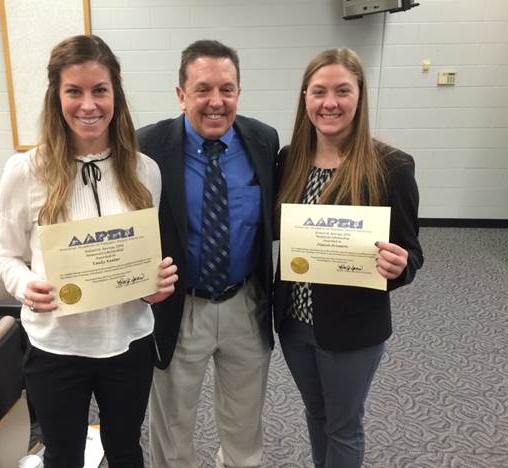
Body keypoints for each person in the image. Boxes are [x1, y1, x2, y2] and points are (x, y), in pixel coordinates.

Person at [0, 35, 178, 468]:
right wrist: (25, 285)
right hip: (56, 344)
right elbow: (2, 255)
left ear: (116, 95)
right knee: (63, 455)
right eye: (74, 91)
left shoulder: (145, 170)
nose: (88, 104)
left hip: (127, 341)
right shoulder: (24, 171)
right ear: (57, 97)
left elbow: (144, 256)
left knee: (126, 451)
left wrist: (154, 285)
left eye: (100, 90)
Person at [273, 48, 424, 468]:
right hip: (294, 323)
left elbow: (412, 252)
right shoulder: (290, 161)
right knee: (316, 413)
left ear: (360, 96)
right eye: (319, 91)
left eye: (342, 90)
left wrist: (399, 266)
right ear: (305, 98)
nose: (330, 103)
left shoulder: (391, 166)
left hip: (353, 329)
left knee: (343, 426)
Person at [137, 40, 279, 468]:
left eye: (227, 89)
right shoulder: (147, 147)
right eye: (202, 89)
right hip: (181, 305)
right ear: (181, 94)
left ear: (239, 92)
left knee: (244, 420)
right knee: (173, 423)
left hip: (245, 303)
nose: (216, 101)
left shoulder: (263, 140)